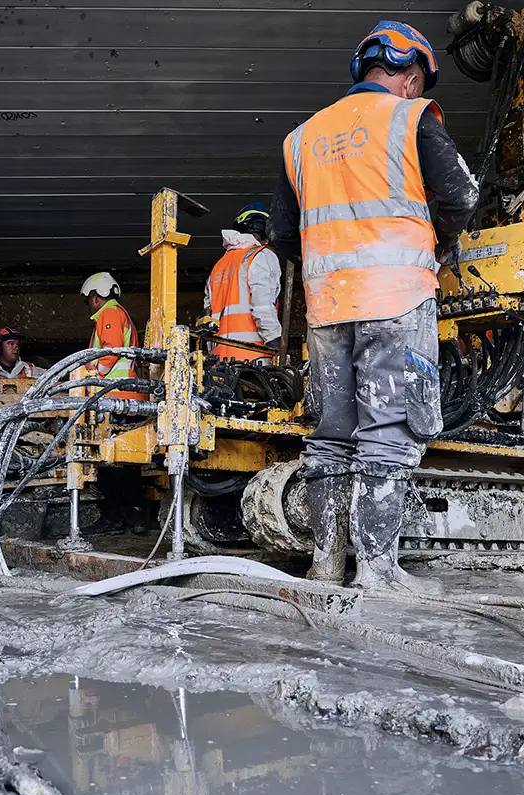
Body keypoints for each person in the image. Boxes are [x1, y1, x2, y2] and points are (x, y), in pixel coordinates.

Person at [268, 21, 479, 592]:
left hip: (327, 306)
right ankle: (377, 574)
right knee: (388, 430)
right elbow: (461, 195)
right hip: (396, 297)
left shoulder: (302, 138)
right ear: (411, 77)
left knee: (332, 433)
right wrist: (439, 239)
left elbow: (284, 236)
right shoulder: (411, 117)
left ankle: (325, 564)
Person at [203, 203, 283, 362]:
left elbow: (207, 315)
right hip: (252, 358)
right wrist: (274, 340)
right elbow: (262, 304)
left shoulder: (219, 265)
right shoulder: (261, 256)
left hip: (219, 362)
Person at [80, 272, 146, 401]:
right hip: (118, 390)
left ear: (95, 298)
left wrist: (96, 376)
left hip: (113, 392)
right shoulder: (118, 313)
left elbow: (112, 348)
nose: (88, 306)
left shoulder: (110, 313)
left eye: (87, 301)